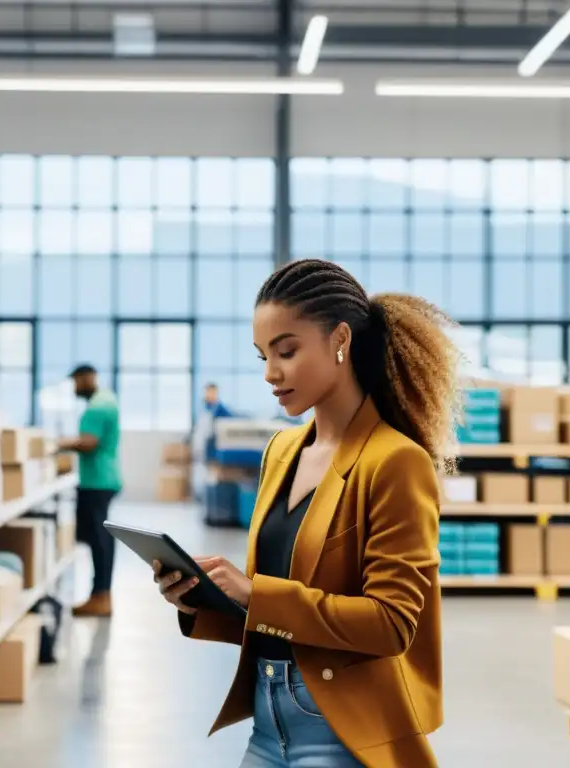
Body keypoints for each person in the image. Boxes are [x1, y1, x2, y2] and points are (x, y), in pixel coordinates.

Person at [154, 259, 460, 768]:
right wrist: (197, 600)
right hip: (266, 723)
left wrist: (255, 592)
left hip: (342, 727)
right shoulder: (281, 451)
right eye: (262, 356)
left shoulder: (394, 461)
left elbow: (392, 623)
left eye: (287, 351)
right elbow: (280, 614)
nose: (270, 373)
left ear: (340, 340)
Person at [60, 364, 122, 618]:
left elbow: (89, 443)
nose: (75, 387)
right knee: (98, 538)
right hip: (103, 478)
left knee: (98, 541)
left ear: (87, 378)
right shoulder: (107, 399)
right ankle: (101, 594)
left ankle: (100, 596)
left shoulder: (98, 406)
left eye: (76, 381)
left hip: (97, 481)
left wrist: (58, 444)